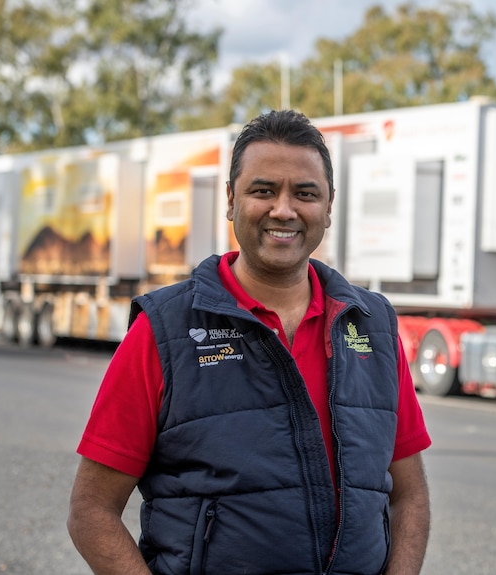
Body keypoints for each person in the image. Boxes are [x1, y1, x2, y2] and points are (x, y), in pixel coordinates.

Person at [67, 109, 432, 575]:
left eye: (305, 193)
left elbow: (410, 496)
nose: (284, 210)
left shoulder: (372, 325)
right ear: (231, 200)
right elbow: (91, 511)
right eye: (263, 191)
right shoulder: (165, 330)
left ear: (329, 205)